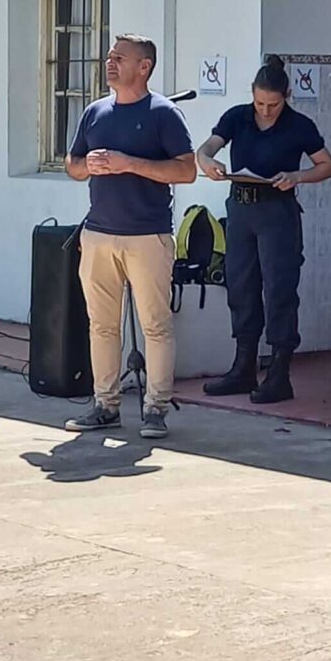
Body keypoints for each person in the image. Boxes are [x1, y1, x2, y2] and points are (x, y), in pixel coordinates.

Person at [64, 34, 196, 439]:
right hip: (99, 234)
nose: (110, 62)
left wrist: (129, 164)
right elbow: (72, 164)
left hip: (147, 236)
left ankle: (155, 409)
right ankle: (105, 404)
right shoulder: (94, 112)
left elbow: (186, 171)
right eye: (109, 56)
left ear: (144, 67)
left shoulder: (164, 113)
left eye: (120, 57)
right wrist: (89, 165)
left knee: (155, 326)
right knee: (101, 325)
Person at [196, 56, 331, 404]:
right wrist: (209, 163)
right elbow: (207, 148)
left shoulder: (298, 125)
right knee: (241, 284)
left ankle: (279, 372)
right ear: (252, 96)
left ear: (286, 95)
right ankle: (243, 365)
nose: (266, 110)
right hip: (241, 208)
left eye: (273, 104)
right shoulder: (237, 117)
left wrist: (297, 176)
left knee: (279, 289)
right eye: (260, 103)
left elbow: (327, 165)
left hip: (277, 210)